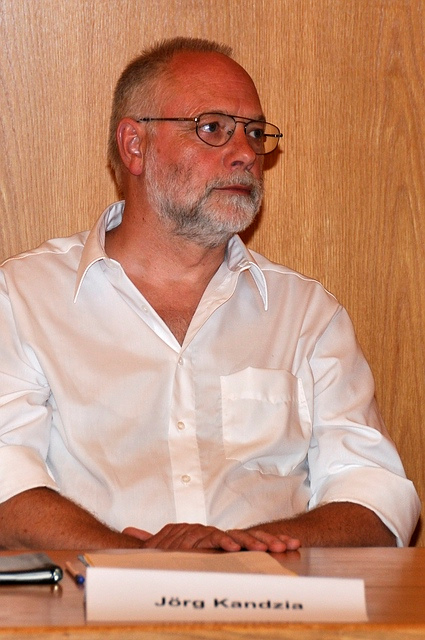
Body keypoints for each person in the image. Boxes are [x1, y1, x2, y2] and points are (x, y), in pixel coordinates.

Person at [0, 37, 420, 552]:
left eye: (254, 133)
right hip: (90, 597)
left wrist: (242, 551)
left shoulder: (307, 315)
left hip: (272, 597)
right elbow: (6, 485)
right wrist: (140, 564)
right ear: (135, 145)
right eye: (213, 128)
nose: (245, 154)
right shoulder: (23, 299)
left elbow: (377, 496)